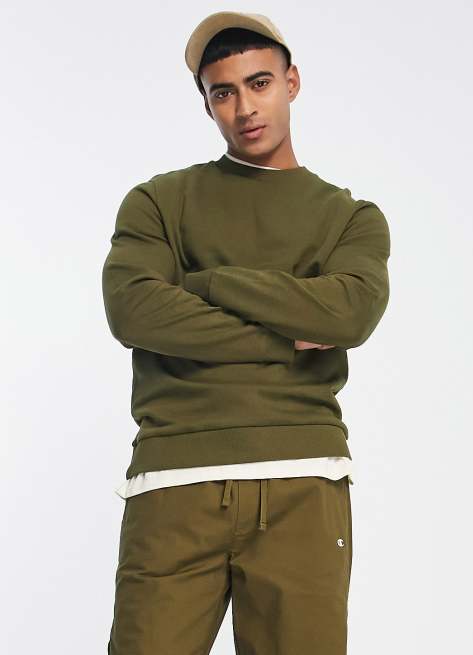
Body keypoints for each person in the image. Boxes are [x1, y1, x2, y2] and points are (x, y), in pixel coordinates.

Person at [102, 11, 391, 655]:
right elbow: (134, 311)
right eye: (223, 92)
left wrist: (206, 283)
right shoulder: (159, 202)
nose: (245, 108)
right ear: (207, 105)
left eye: (259, 83)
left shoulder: (350, 217)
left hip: (302, 479)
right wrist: (285, 337)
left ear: (292, 82)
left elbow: (348, 315)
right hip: (174, 480)